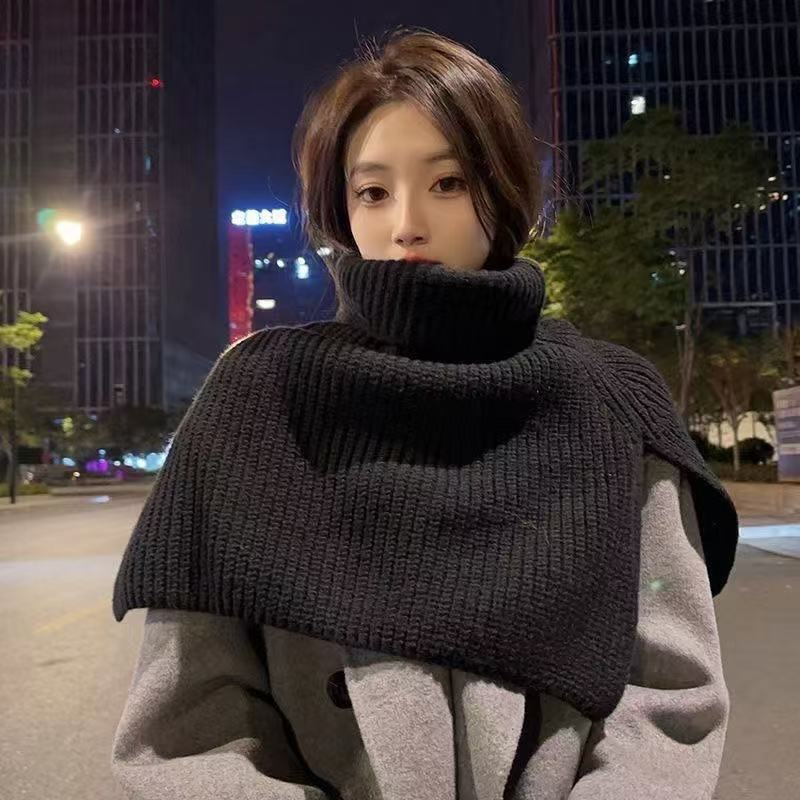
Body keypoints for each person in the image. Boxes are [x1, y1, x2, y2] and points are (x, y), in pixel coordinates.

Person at [110, 29, 738, 800]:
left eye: (447, 182)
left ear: (502, 188)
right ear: (340, 209)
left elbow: (670, 693)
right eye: (372, 192)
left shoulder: (609, 398)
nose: (406, 223)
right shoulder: (258, 397)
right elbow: (187, 726)